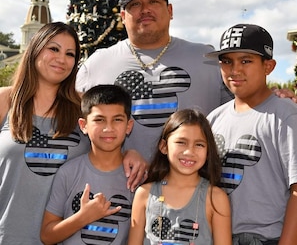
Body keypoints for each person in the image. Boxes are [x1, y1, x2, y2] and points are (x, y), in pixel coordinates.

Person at [76, 0, 297, 163]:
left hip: (194, 197)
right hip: (117, 198)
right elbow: (73, 119)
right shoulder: (96, 64)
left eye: (154, 1)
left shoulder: (207, 59)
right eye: (134, 4)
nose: (145, 9)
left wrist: (276, 98)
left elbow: (244, 106)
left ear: (170, 10)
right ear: (123, 16)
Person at [0, 23, 144, 245]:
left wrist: (130, 152)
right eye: (54, 49)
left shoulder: (82, 105)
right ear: (35, 49)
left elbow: (106, 143)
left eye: (70, 54)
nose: (61, 59)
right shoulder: (4, 100)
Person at [206, 23, 297, 244]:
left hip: (268, 237)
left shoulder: (285, 115)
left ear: (269, 66)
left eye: (246, 61)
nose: (235, 70)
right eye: (227, 61)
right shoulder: (213, 119)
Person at [40, 84, 135, 244]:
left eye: (117, 120)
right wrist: (83, 217)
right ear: (83, 126)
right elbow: (47, 236)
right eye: (99, 120)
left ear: (129, 126)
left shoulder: (137, 178)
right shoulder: (68, 172)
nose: (108, 128)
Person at [128, 108, 232, 245]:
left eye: (199, 144)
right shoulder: (144, 194)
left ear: (208, 152)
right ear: (164, 147)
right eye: (181, 142)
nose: (189, 151)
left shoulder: (216, 198)